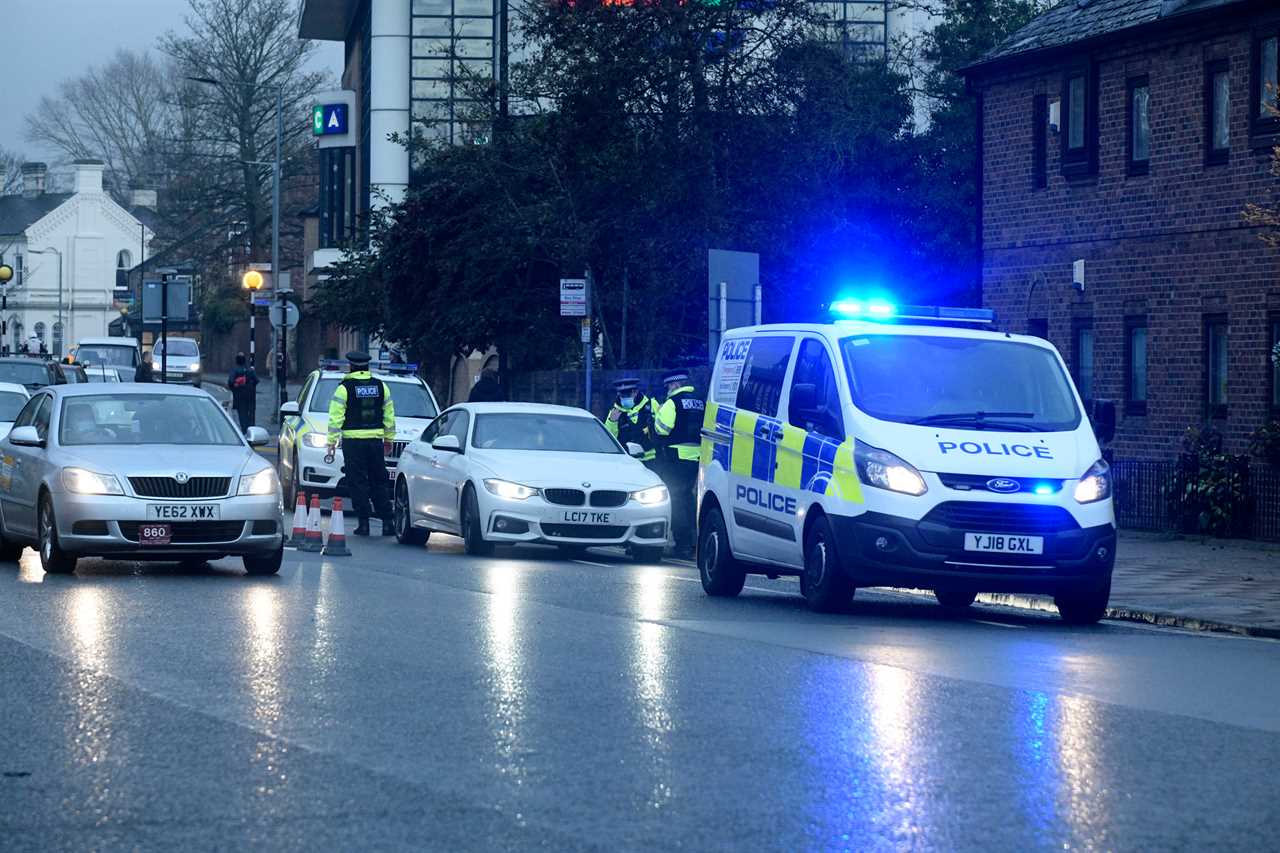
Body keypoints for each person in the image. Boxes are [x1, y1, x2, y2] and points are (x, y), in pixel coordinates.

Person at [326, 350, 396, 536]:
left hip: (353, 442)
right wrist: (389, 439)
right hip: (375, 442)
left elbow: (335, 418)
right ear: (367, 366)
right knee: (379, 480)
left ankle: (363, 523)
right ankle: (388, 522)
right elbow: (389, 416)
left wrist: (331, 442)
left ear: (351, 366)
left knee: (357, 482)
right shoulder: (381, 386)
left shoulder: (344, 388)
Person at [653, 370, 705, 559]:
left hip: (676, 459)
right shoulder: (700, 402)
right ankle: (693, 542)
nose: (667, 390)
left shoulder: (672, 403)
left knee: (676, 499)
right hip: (697, 458)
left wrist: (658, 415)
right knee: (689, 499)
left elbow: (662, 430)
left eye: (668, 387)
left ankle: (682, 544)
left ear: (674, 385)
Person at [605, 377, 658, 467]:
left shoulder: (651, 405)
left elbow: (661, 428)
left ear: (635, 392)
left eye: (627, 395)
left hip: (651, 460)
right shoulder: (615, 411)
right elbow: (609, 437)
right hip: (626, 461)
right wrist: (612, 422)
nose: (624, 398)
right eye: (622, 395)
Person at [227, 352, 259, 434]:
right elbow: (256, 380)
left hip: (239, 395)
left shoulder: (234, 370)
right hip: (250, 395)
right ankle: (252, 431)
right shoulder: (250, 370)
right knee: (251, 413)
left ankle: (245, 431)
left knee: (242, 414)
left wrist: (235, 387)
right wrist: (251, 386)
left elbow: (230, 382)